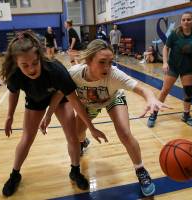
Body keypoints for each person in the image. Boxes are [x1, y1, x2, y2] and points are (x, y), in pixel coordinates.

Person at [41, 39, 168, 197]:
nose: (107, 67)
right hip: (88, 105)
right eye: (102, 62)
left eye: (110, 62)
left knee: (125, 133)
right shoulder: (74, 74)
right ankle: (83, 141)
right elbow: (59, 93)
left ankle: (140, 170)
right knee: (76, 137)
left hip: (113, 99)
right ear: (88, 60)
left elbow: (141, 89)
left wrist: (151, 98)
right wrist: (48, 114)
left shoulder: (114, 74)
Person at [0, 31, 107, 197]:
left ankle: (75, 170)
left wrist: (91, 127)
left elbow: (75, 102)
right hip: (35, 100)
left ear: (40, 57)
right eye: (25, 65)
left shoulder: (56, 70)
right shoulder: (15, 74)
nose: (31, 69)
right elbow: (13, 93)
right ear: (16, 63)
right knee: (27, 139)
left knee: (72, 136)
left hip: (59, 97)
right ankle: (14, 174)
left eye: (35, 63)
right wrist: (9, 116)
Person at [147, 11, 192, 128]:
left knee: (188, 93)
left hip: (188, 68)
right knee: (164, 91)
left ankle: (186, 115)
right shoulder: (175, 33)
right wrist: (165, 62)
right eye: (184, 19)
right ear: (181, 21)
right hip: (173, 67)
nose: (186, 21)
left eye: (188, 19)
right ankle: (153, 114)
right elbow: (166, 48)